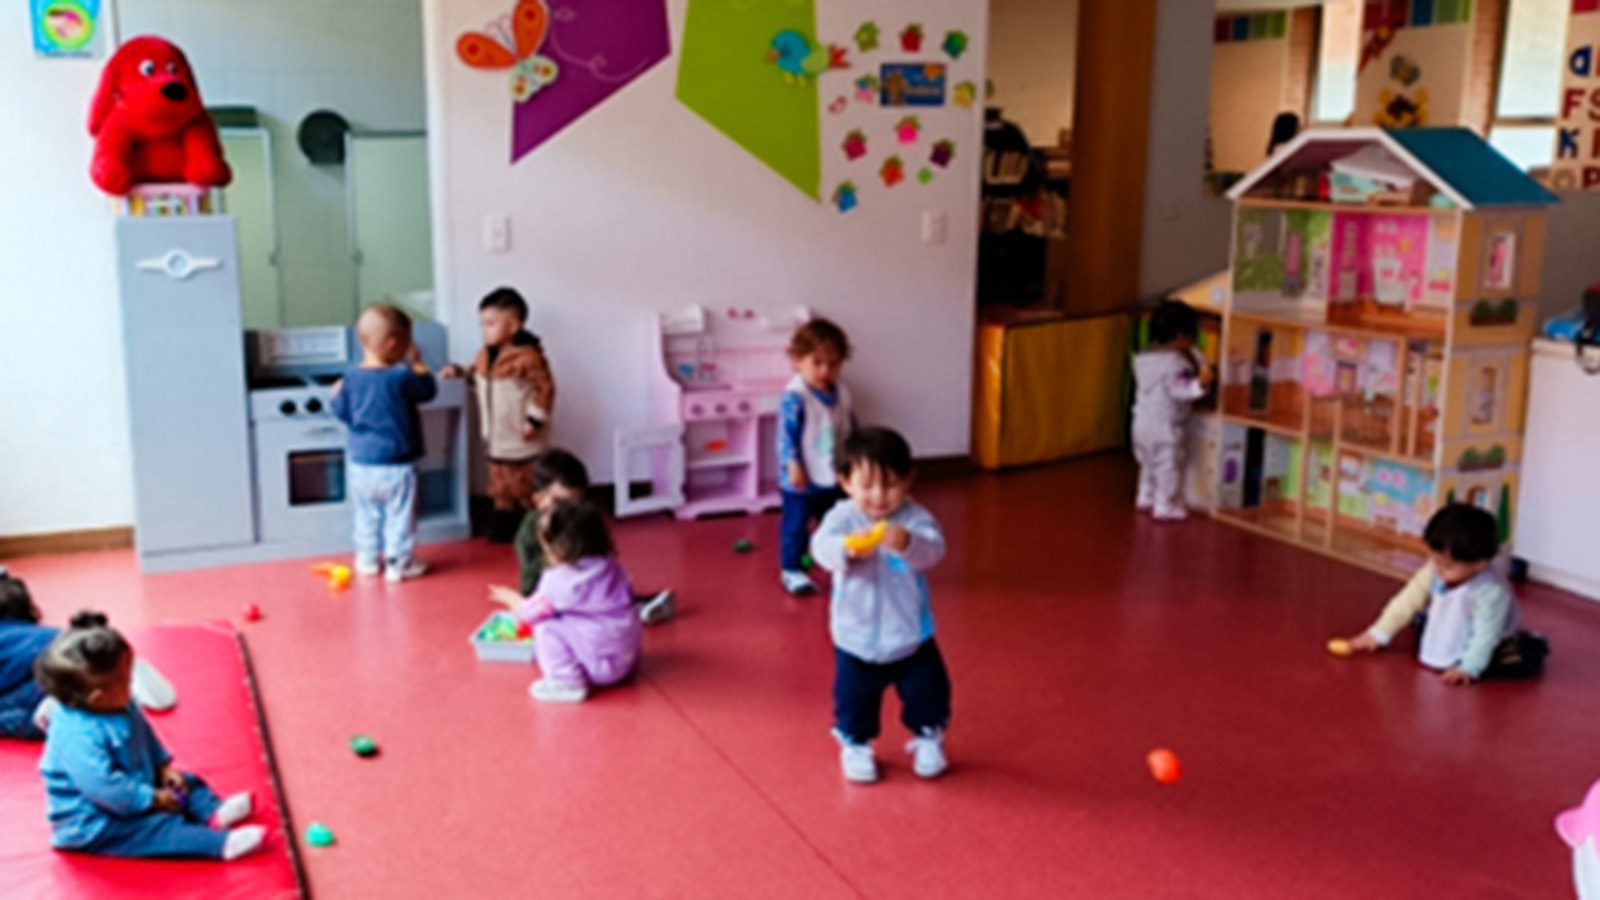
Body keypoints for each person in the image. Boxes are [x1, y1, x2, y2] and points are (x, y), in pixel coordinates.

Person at [34, 612, 266, 860]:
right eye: (126, 681)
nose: (131, 685)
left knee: (187, 782)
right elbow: (102, 788)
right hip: (96, 819)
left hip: (134, 779)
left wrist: (161, 767)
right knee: (158, 830)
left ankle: (212, 812)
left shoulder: (118, 702)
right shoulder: (77, 736)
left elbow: (143, 734)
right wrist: (152, 800)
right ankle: (218, 844)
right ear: (98, 698)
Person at [810, 427, 951, 784]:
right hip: (856, 637)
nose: (879, 496)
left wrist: (909, 543)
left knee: (928, 692)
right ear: (845, 482)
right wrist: (845, 549)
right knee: (853, 700)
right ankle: (856, 744)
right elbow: (821, 549)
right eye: (867, 485)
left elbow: (933, 551)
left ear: (908, 480)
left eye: (890, 484)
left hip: (910, 635)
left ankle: (928, 736)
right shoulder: (842, 518)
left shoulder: (914, 518)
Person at [1334, 504, 1548, 684]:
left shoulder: (1490, 591)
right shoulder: (1436, 568)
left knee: (1513, 661)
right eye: (1433, 558)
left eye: (1448, 565)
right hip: (1456, 620)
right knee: (1419, 624)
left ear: (1480, 565)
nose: (1437, 568)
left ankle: (1533, 645)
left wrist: (1469, 667)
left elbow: (1485, 633)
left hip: (1493, 635)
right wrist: (1378, 633)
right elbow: (1408, 600)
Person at [489, 500, 643, 703]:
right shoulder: (609, 565)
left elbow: (529, 614)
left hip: (600, 670)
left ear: (560, 548)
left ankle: (566, 682)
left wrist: (512, 599)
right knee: (577, 617)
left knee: (545, 627)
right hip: (626, 659)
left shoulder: (560, 579)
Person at [0, 566, 176, 740]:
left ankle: (56, 712)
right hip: (72, 650)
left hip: (44, 683)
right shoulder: (40, 633)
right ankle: (114, 669)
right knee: (79, 668)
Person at [331, 304, 437, 581]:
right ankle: (398, 563)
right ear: (393, 344)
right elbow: (428, 391)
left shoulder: (350, 377)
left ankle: (366, 560)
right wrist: (419, 364)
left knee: (366, 515)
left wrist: (335, 396)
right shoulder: (401, 376)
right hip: (396, 464)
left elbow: (342, 412)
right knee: (399, 516)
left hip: (361, 464)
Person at [441, 288, 556, 543]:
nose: (484, 330)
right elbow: (477, 374)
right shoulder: (484, 355)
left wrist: (534, 419)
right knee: (499, 483)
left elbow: (545, 389)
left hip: (521, 435)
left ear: (513, 325)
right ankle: (504, 519)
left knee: (524, 482)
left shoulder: (528, 358)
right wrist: (458, 371)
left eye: (491, 324)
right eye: (482, 324)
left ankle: (535, 522)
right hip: (495, 435)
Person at [509, 449, 675, 625]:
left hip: (590, 586)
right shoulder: (529, 535)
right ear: (539, 500)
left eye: (578, 501)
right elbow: (529, 584)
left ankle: (638, 606)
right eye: (561, 502)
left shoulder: (583, 520)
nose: (570, 510)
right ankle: (632, 610)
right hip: (558, 596)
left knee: (612, 591)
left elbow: (603, 554)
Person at [778, 318, 855, 596]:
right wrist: (793, 464)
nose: (825, 370)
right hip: (800, 477)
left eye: (833, 364)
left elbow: (850, 427)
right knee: (796, 525)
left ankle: (832, 558)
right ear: (798, 361)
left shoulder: (842, 393)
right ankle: (792, 569)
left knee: (835, 520)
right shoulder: (796, 396)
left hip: (834, 472)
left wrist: (854, 462)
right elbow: (786, 436)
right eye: (817, 362)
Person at [1131, 300, 1215, 521]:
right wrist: (1201, 384)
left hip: (1141, 424)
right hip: (1165, 427)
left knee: (1148, 464)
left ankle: (1145, 496)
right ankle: (1164, 505)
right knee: (1168, 466)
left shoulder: (1144, 358)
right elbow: (1180, 390)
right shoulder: (1175, 363)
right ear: (1181, 335)